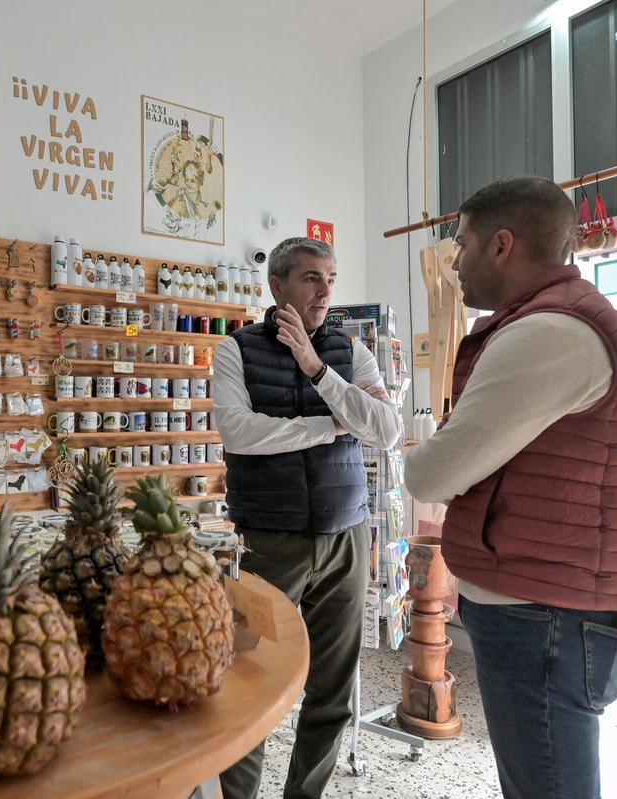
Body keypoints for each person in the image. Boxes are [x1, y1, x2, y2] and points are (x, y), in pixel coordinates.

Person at [403, 177, 617, 799]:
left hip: (545, 612)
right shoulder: (551, 323)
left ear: (501, 245)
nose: (454, 262)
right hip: (546, 600)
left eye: (461, 244)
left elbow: (431, 474)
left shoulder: (549, 334)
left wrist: (426, 444)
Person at [214, 237, 401, 799]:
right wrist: (327, 426)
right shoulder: (236, 350)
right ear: (277, 286)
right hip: (268, 537)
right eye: (312, 278)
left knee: (333, 691)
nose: (325, 292)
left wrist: (317, 370)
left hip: (346, 533)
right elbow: (238, 433)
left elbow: (386, 430)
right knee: (248, 681)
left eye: (331, 279)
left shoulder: (348, 353)